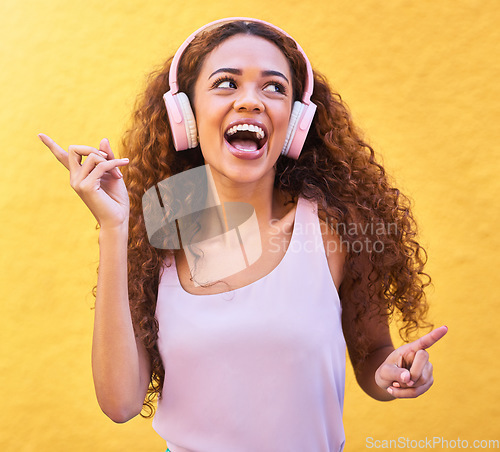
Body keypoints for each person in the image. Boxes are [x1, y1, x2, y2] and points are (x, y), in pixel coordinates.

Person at [39, 17, 447, 452]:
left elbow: (372, 358)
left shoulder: (333, 225)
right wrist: (113, 227)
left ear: (295, 123)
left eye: (274, 88)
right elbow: (120, 402)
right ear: (186, 115)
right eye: (226, 84)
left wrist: (393, 372)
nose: (251, 101)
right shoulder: (165, 216)